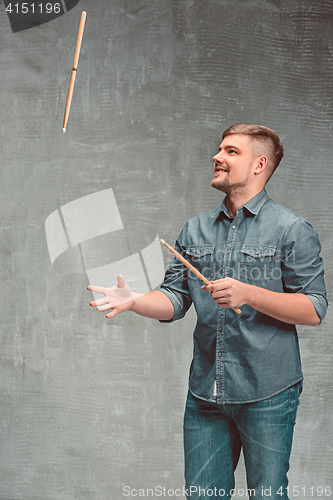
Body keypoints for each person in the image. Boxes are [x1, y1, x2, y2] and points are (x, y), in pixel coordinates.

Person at [87, 124, 327, 499]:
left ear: (259, 164)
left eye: (231, 152)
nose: (217, 157)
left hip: (269, 392)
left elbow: (314, 308)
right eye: (220, 150)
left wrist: (249, 293)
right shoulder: (194, 230)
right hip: (205, 394)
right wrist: (134, 301)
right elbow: (173, 299)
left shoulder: (292, 229)